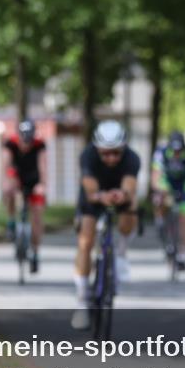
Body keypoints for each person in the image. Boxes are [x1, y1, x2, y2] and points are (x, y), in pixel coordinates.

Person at [71, 120, 140, 330]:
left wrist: (123, 194)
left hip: (119, 194)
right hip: (94, 198)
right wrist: (101, 196)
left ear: (124, 149)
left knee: (132, 205)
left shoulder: (132, 158)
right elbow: (90, 188)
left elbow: (129, 184)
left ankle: (120, 252)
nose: (111, 158)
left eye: (116, 153)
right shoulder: (88, 155)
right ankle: (82, 300)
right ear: (97, 149)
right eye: (105, 153)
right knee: (86, 241)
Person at [151, 130, 185, 271]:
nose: (177, 153)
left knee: (184, 220)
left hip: (183, 185)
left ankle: (182, 254)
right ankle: (160, 221)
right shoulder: (161, 153)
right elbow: (155, 175)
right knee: (161, 200)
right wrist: (157, 189)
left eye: (179, 150)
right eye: (175, 150)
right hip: (166, 184)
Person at [2, 119, 46, 273]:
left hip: (34, 181)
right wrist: (7, 183)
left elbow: (43, 166)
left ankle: (35, 253)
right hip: (17, 178)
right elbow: (6, 165)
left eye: (29, 140)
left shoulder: (39, 145)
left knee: (37, 217)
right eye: (23, 140)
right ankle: (11, 222)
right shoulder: (10, 144)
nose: (26, 144)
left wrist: (42, 185)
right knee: (9, 191)